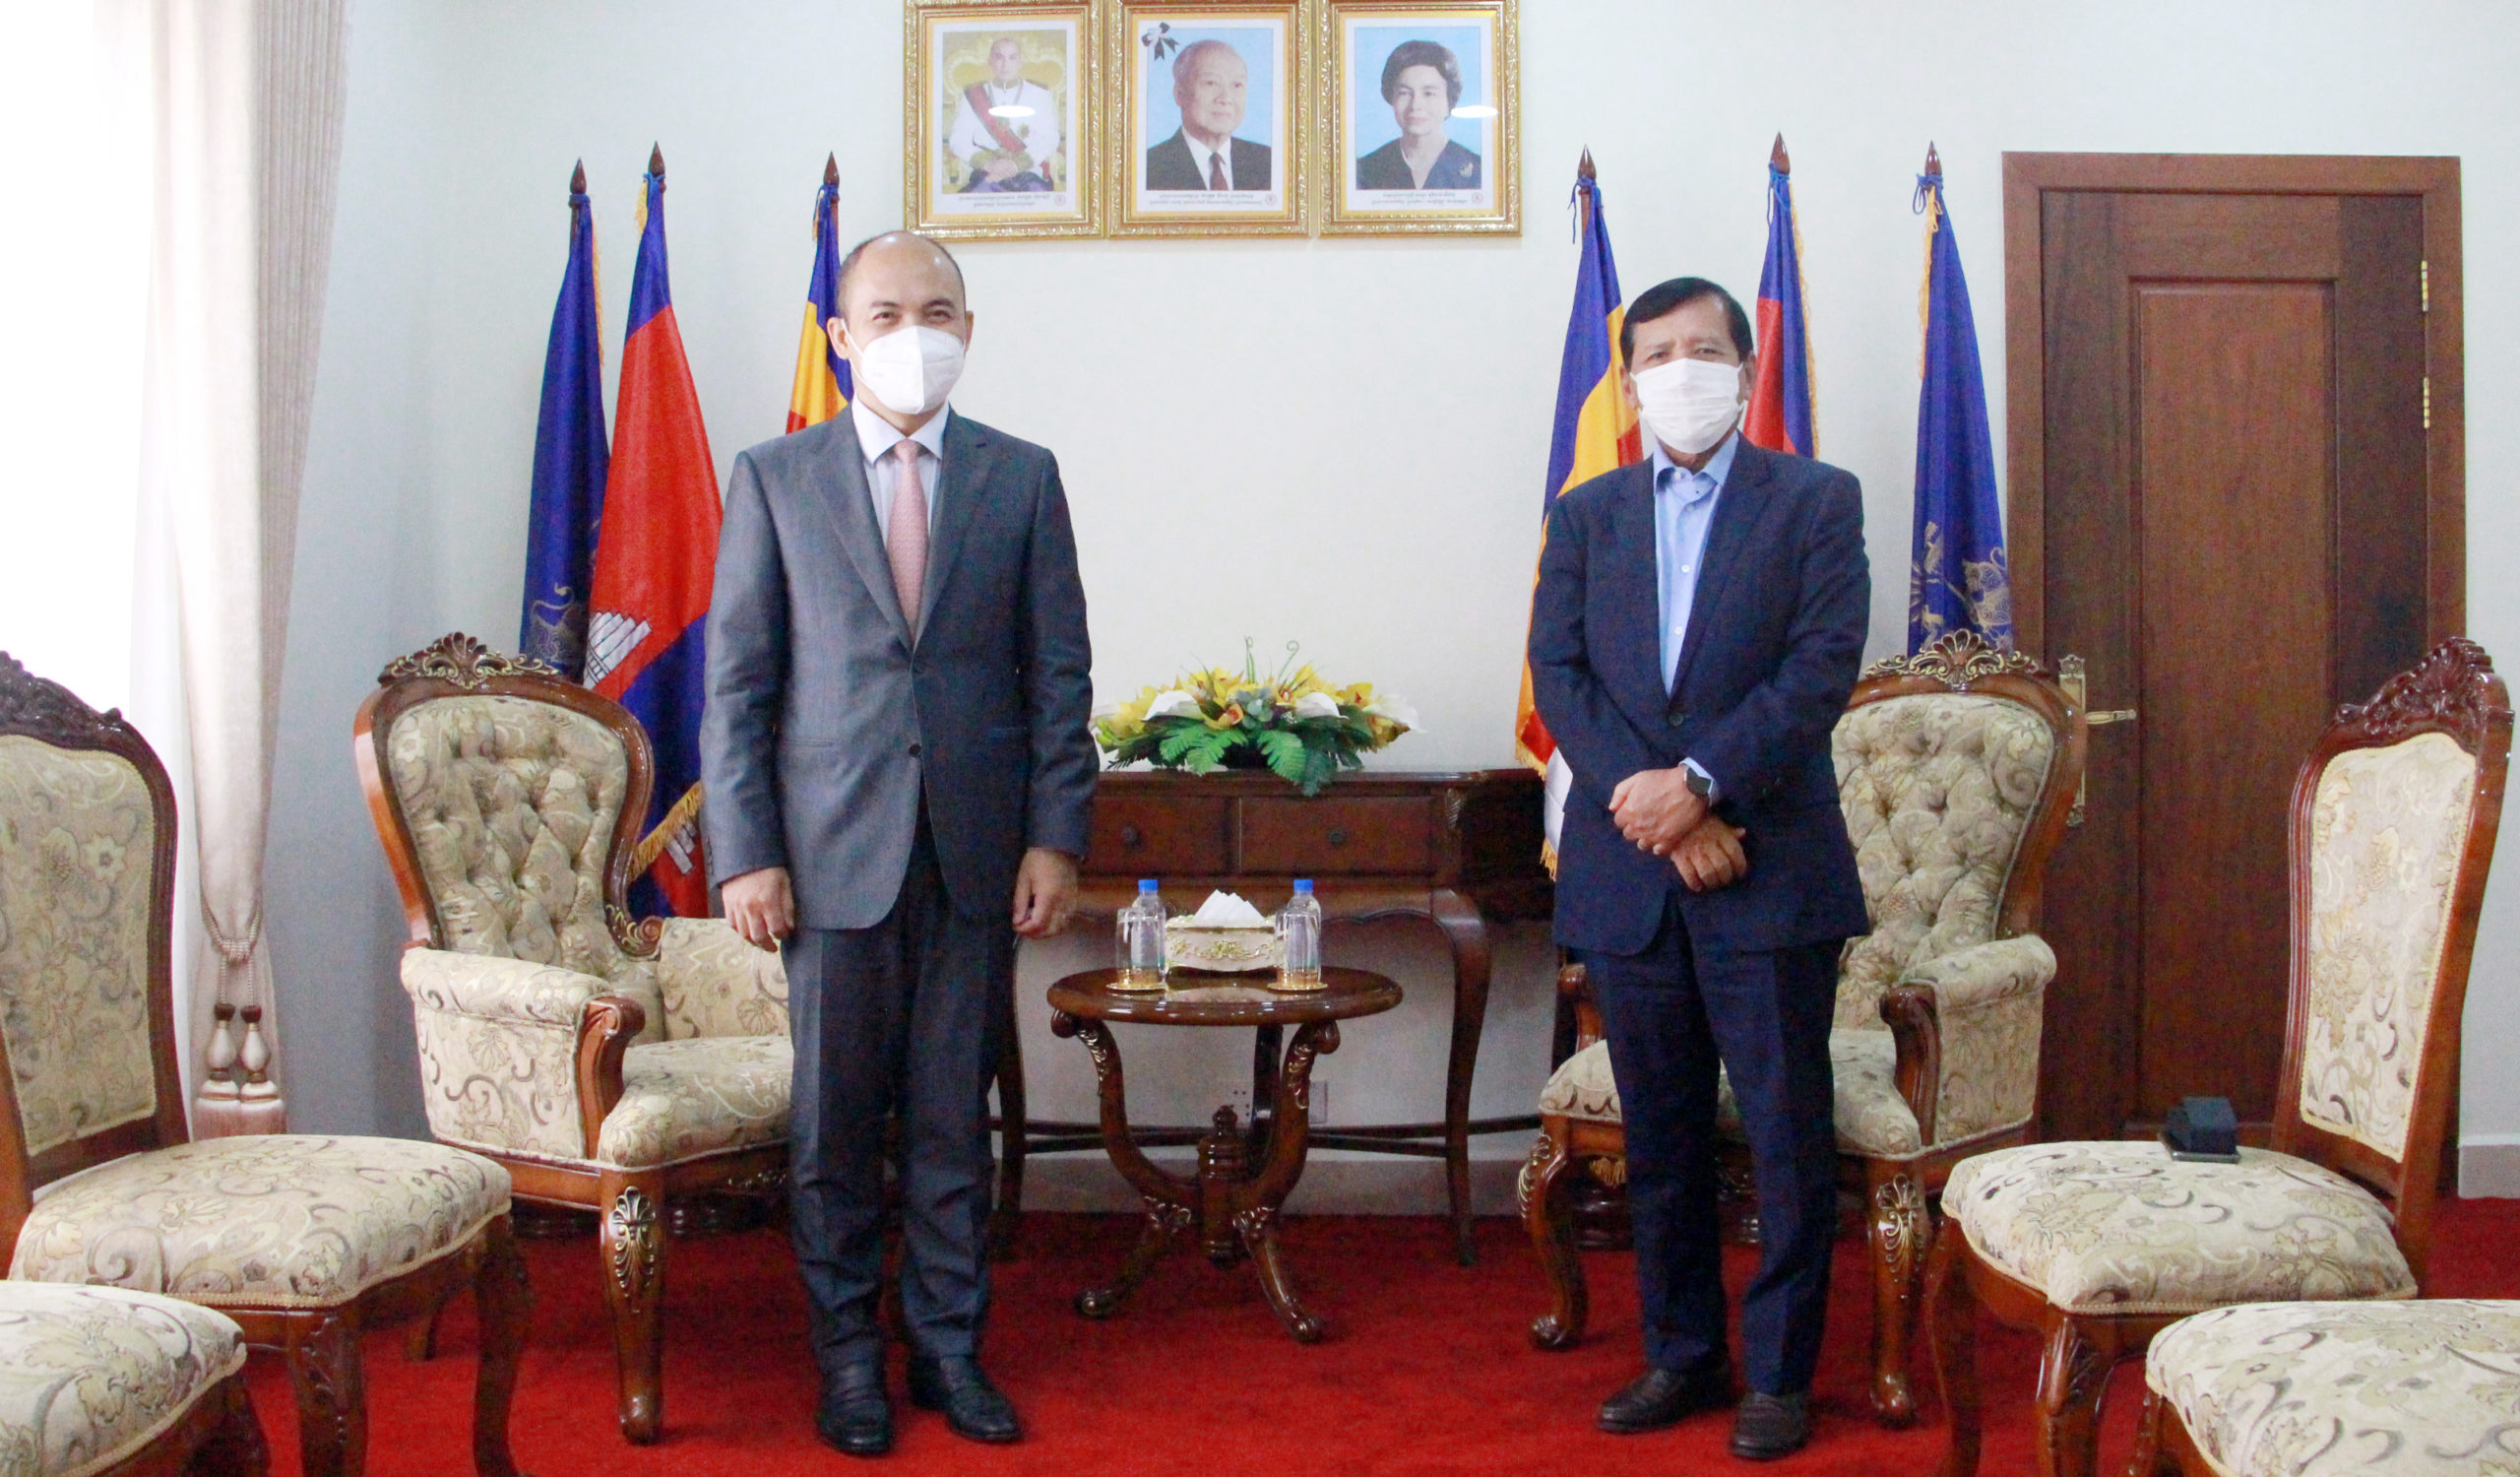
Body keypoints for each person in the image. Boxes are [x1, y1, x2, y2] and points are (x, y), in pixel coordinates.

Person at [701, 231, 1095, 1458]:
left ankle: (948, 1352)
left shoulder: (1022, 478)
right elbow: (738, 687)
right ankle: (846, 1362)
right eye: (885, 312)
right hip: (825, 859)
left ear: (967, 329)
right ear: (841, 335)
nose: (912, 332)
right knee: (832, 1131)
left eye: (936, 310)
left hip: (976, 855)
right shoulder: (775, 477)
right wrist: (745, 851)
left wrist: (1055, 838)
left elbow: (1059, 677)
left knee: (948, 1123)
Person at [1527, 277, 1869, 1462]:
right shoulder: (1587, 514)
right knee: (1660, 1139)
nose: (1682, 370)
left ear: (1745, 367)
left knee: (1783, 1135)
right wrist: (1667, 814)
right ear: (1630, 382)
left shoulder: (1816, 500)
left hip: (1771, 872)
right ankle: (1681, 1354)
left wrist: (1705, 783)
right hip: (1632, 876)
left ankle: (1777, 1374)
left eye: (1704, 349)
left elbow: (1819, 669)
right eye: (1658, 353)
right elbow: (1560, 674)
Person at [1144, 37, 1273, 191]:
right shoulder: (1148, 167)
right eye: (1211, 83)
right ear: (1180, 94)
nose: (1225, 98)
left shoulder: (1269, 162)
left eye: (1237, 85)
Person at [1353, 38, 1480, 190]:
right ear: (1391, 98)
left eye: (1429, 93)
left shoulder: (1478, 171)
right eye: (1405, 93)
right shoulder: (1365, 171)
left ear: (1449, 100)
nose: (1415, 105)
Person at [945, 36, 1063, 192]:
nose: (1005, 65)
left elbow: (1049, 138)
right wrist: (990, 164)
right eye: (999, 57)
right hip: (986, 173)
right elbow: (958, 139)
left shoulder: (1040, 95)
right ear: (990, 61)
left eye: (1012, 58)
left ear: (1021, 61)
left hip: (1028, 173)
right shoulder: (973, 95)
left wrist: (1016, 164)